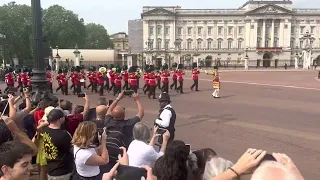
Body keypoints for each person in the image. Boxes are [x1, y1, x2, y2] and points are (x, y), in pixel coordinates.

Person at [99, 92, 144, 172]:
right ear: (124, 115)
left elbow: (109, 110)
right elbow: (141, 113)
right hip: (119, 155)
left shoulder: (108, 121)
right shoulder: (128, 124)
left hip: (106, 151)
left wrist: (118, 98)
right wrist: (137, 100)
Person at [42, 109, 73, 180]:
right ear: (60, 119)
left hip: (50, 168)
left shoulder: (45, 130)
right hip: (62, 171)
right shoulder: (64, 134)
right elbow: (72, 149)